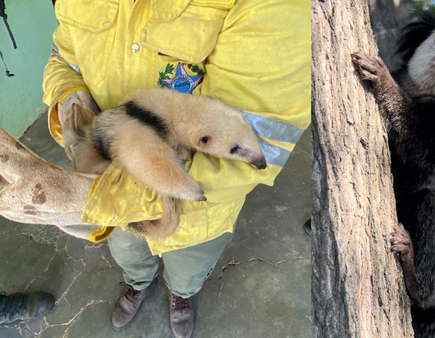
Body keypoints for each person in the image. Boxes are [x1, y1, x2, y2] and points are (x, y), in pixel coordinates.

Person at [43, 1, 309, 337]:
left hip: (199, 213)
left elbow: (259, 143)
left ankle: (181, 295)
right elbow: (63, 59)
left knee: (189, 269)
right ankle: (139, 283)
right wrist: (74, 109)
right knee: (128, 253)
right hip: (105, 175)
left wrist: (126, 193)